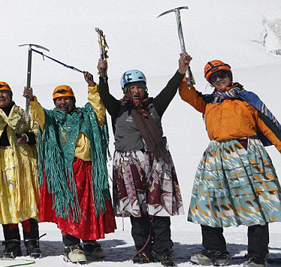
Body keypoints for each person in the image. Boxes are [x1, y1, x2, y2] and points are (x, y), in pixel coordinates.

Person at [178, 57, 281, 267]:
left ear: (230, 75)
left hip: (248, 153)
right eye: (214, 78)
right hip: (217, 156)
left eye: (222, 75)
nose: (219, 80)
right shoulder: (207, 102)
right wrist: (183, 72)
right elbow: (187, 94)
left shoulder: (247, 99)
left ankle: (257, 256)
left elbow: (270, 127)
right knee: (208, 202)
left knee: (256, 205)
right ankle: (215, 251)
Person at [97, 57, 185, 267]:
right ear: (125, 90)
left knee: (159, 208)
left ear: (145, 89)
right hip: (129, 164)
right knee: (138, 210)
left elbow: (170, 89)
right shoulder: (117, 109)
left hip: (157, 162)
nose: (136, 91)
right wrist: (102, 75)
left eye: (140, 87)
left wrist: (180, 71)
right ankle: (143, 250)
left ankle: (163, 250)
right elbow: (103, 95)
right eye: (131, 88)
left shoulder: (155, 106)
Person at [32, 72, 116, 264]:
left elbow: (98, 109)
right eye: (59, 99)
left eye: (66, 99)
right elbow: (39, 115)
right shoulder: (52, 118)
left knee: (90, 206)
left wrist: (92, 87)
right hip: (66, 172)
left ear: (73, 100)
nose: (63, 103)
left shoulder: (86, 115)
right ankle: (71, 244)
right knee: (70, 207)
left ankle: (90, 240)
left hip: (88, 169)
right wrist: (32, 100)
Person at [0, 80, 41, 259]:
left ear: (10, 95)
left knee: (26, 200)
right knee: (7, 202)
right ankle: (12, 242)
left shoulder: (22, 112)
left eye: (4, 93)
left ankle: (31, 240)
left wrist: (27, 137)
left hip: (22, 162)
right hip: (1, 163)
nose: (0, 96)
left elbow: (37, 131)